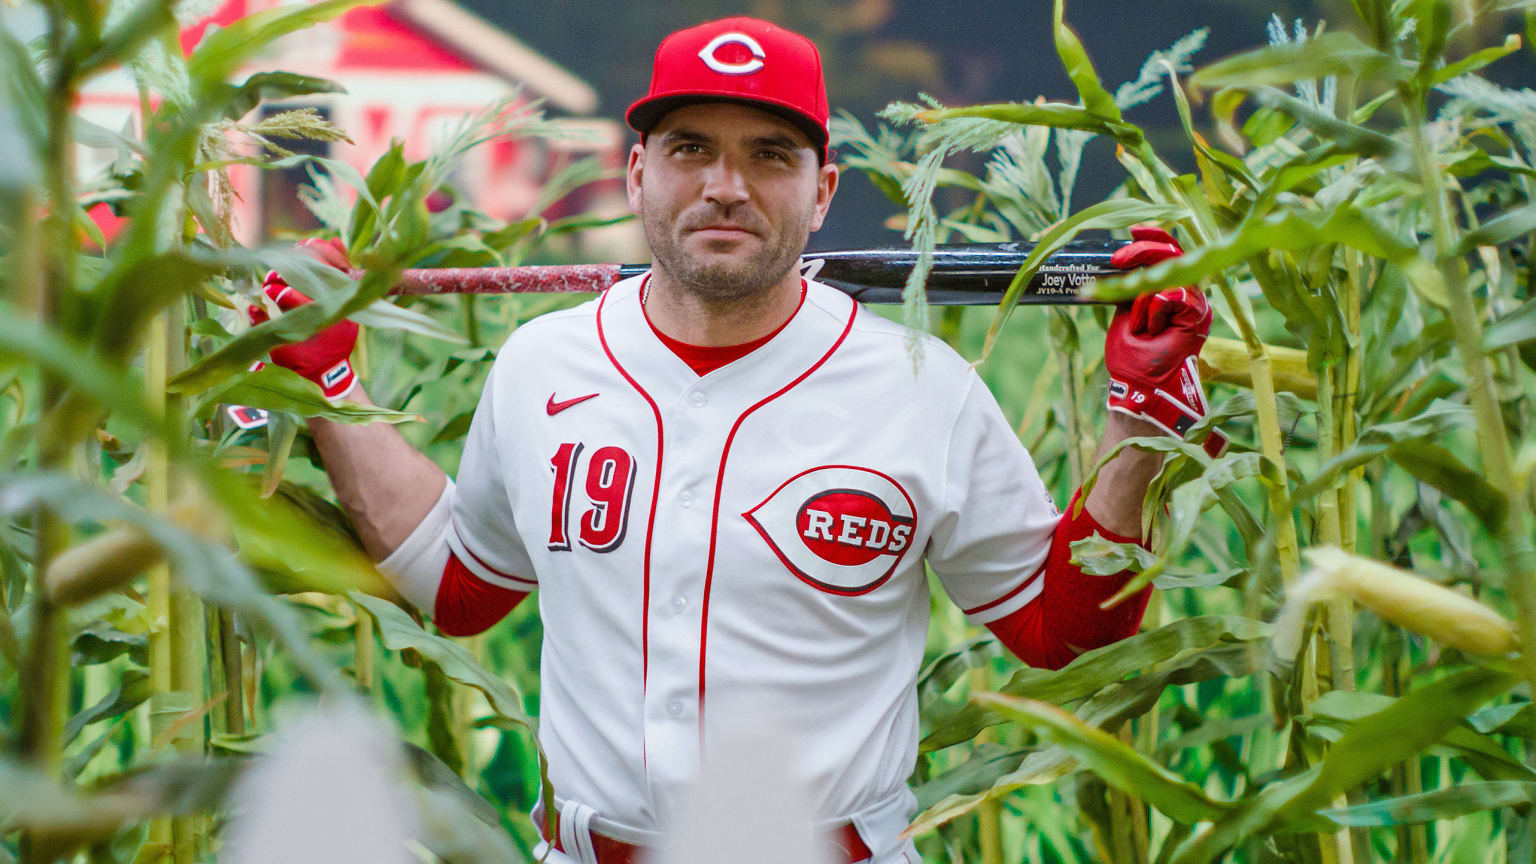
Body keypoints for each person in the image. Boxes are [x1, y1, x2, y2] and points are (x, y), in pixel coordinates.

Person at [251, 16, 1220, 864]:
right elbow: (459, 589)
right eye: (689, 148)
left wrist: (1138, 433)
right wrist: (330, 381)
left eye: (769, 153)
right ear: (637, 174)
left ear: (823, 188)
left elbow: (1060, 629)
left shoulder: (926, 391)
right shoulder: (542, 364)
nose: (725, 184)